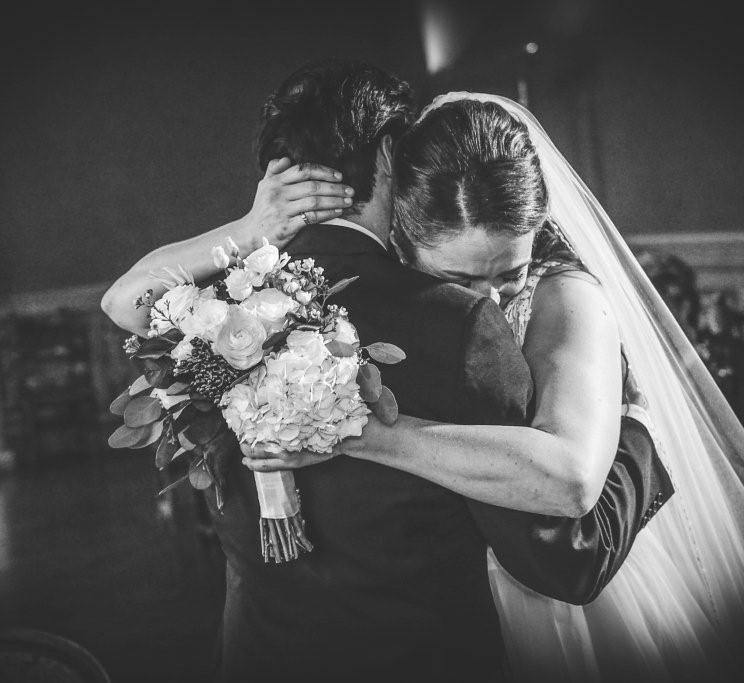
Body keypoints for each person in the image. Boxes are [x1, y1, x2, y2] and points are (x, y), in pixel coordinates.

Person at [102, 61, 671, 682]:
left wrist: (248, 230)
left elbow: (124, 302)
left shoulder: (220, 308)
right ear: (390, 155)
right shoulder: (454, 326)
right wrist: (637, 427)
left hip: (257, 652)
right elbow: (560, 533)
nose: (493, 295)